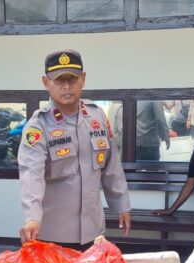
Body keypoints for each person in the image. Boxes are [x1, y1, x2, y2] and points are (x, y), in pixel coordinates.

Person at [18, 49, 131, 247]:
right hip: (54, 234)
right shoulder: (38, 125)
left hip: (93, 230)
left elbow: (112, 167)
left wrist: (121, 205)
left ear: (83, 79)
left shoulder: (97, 117)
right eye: (59, 80)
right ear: (46, 83)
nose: (67, 86)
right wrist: (32, 217)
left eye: (73, 79)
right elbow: (31, 175)